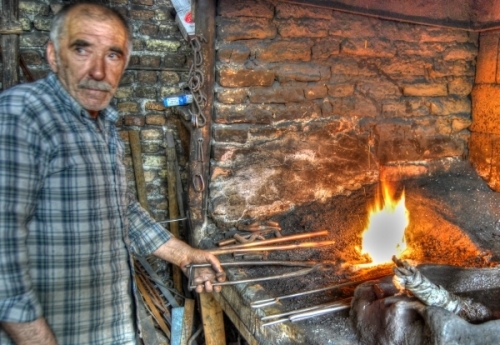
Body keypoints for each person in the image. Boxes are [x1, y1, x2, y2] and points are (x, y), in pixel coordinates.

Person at [0, 3, 225, 344]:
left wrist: (185, 255)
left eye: (113, 55)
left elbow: (123, 210)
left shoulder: (102, 123)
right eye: (81, 49)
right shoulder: (22, 114)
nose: (98, 71)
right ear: (52, 54)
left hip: (112, 328)